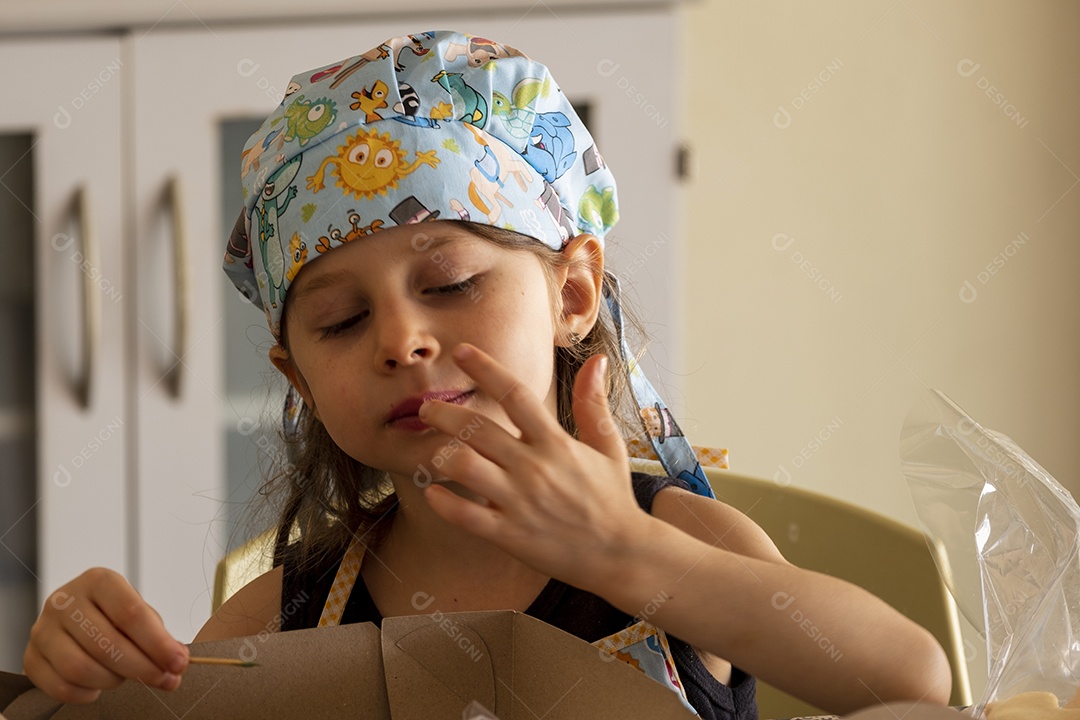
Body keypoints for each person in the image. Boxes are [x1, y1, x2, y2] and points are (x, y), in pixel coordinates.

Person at [23, 30, 952, 718]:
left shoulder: (677, 534)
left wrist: (620, 553)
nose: (402, 341)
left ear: (573, 293)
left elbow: (909, 680)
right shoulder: (291, 609)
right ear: (298, 380)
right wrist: (88, 675)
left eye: (450, 283)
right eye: (342, 321)